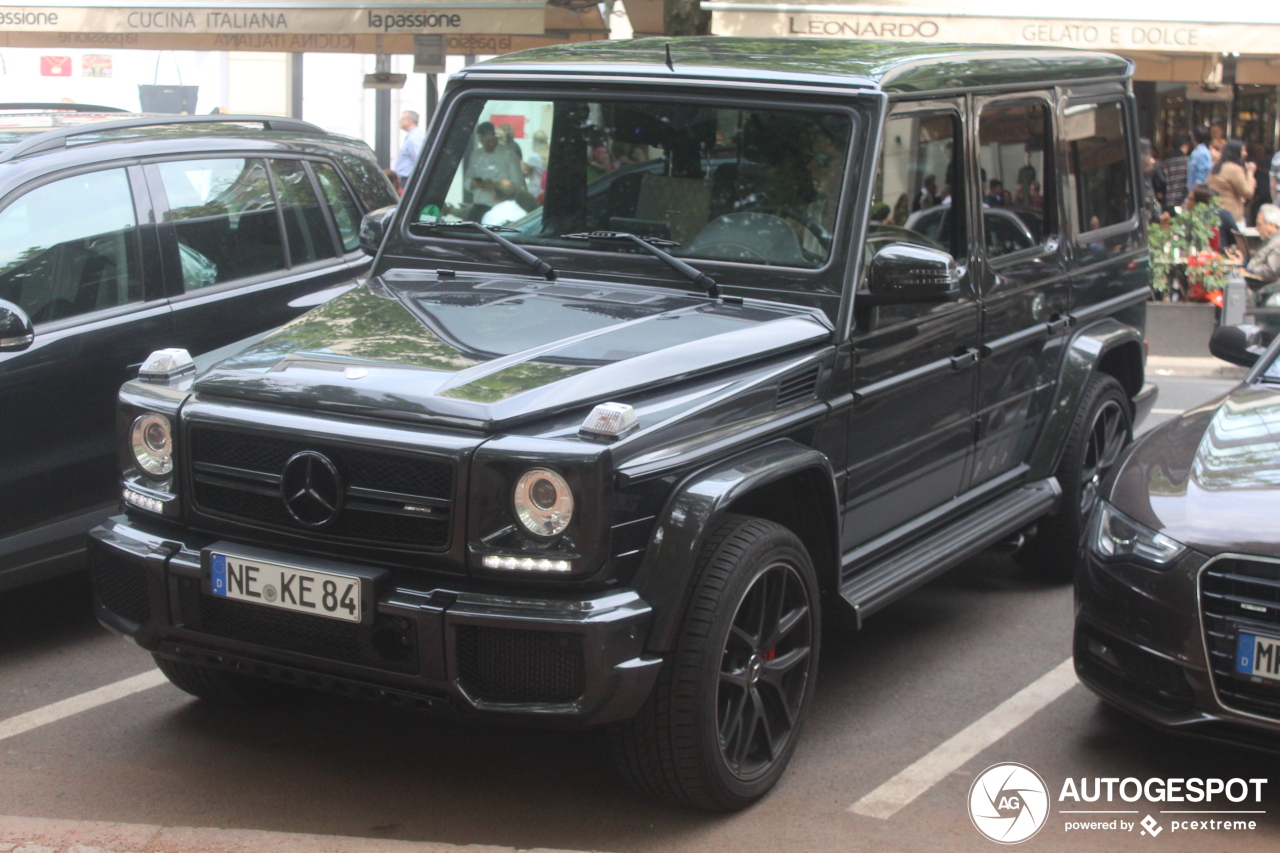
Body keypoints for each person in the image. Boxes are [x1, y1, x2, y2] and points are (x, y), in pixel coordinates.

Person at [464, 121, 523, 208]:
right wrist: (473, 184)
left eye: (488, 141)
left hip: (502, 205)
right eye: (482, 142)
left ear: (494, 135)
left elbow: (518, 184)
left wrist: (495, 187)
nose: (486, 145)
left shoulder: (509, 154)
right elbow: (467, 181)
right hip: (479, 203)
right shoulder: (476, 155)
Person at [1206, 139, 1256, 223]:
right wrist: (1250, 173)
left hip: (1216, 211)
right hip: (1230, 214)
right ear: (1236, 152)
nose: (1245, 154)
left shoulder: (1218, 166)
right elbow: (1247, 192)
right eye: (1243, 150)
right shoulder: (1233, 169)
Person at [1244, 204, 1280, 286]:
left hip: (1262, 287)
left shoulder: (1278, 243)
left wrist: (1250, 271)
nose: (1256, 228)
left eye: (1259, 224)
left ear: (1271, 225)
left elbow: (1271, 270)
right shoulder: (1270, 240)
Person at [1156, 135, 1190, 213]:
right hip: (1183, 201)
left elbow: (1162, 182)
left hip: (1169, 201)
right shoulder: (1188, 161)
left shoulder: (1166, 162)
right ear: (1184, 146)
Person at [393, 110, 426, 188]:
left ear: (409, 121)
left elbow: (419, 160)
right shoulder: (414, 136)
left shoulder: (414, 138)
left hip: (409, 180)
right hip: (407, 179)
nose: (399, 121)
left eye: (402, 119)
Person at [1187, 125, 1213, 190]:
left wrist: (1192, 194)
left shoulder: (1201, 153)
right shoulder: (1199, 151)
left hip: (1197, 192)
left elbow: (1201, 177)